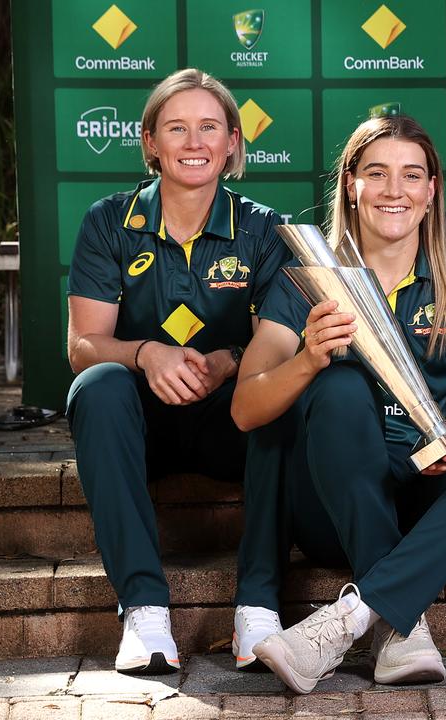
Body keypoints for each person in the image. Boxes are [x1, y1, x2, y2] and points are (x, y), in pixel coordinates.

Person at [230, 114, 446, 694]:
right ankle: (401, 625)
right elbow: (245, 410)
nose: (393, 191)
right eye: (376, 174)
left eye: (411, 176)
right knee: (339, 385)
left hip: (427, 504)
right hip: (336, 506)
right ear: (350, 185)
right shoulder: (303, 279)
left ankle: (348, 618)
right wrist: (306, 359)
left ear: (431, 191)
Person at [65, 68, 290, 674]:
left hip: (228, 418)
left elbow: (285, 347)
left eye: (209, 127)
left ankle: (259, 608)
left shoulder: (266, 227)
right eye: (177, 128)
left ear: (233, 142)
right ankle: (143, 610)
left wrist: (225, 361)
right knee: (97, 385)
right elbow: (82, 345)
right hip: (141, 425)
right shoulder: (108, 221)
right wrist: (147, 354)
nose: (194, 142)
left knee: (283, 395)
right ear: (150, 143)